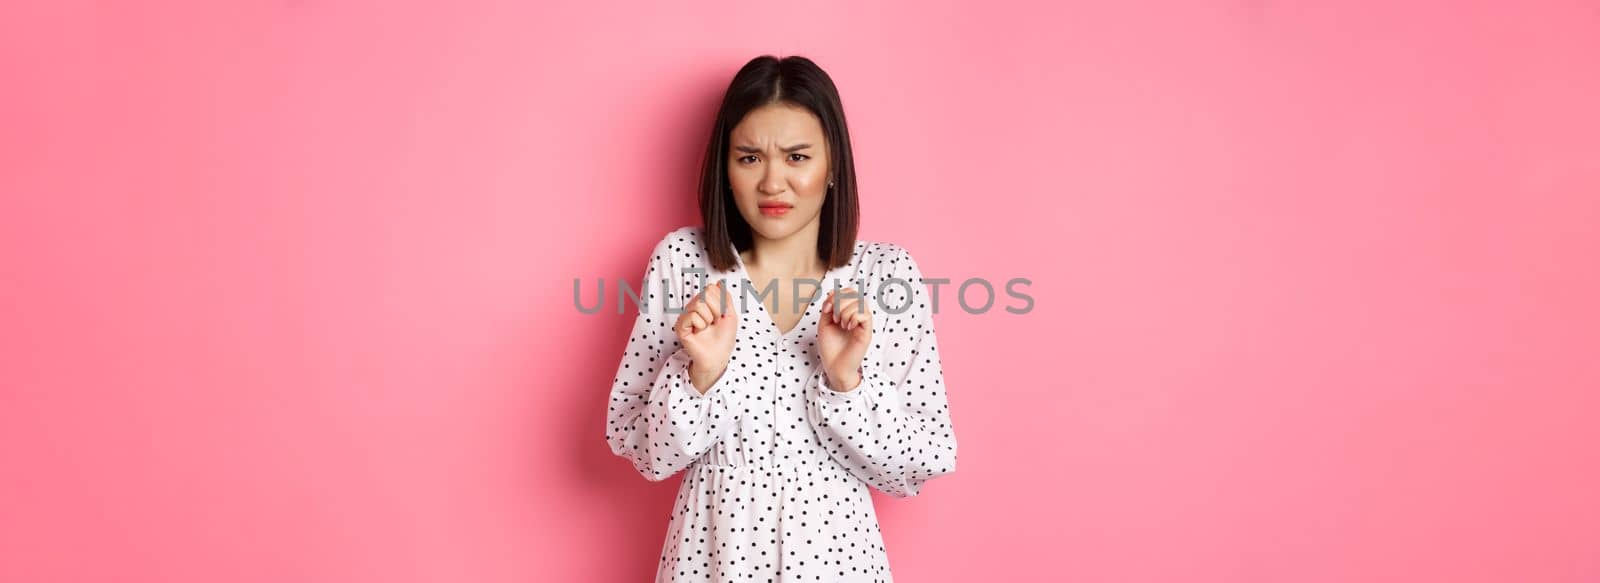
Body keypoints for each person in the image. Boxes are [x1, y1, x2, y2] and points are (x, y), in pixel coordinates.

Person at [604, 54, 958, 582]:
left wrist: (846, 384)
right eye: (749, 158)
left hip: (841, 565)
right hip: (713, 562)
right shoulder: (683, 263)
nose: (773, 182)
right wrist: (699, 378)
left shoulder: (887, 275)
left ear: (832, 164)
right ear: (725, 169)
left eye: (797, 157)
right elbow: (644, 451)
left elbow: (922, 462)